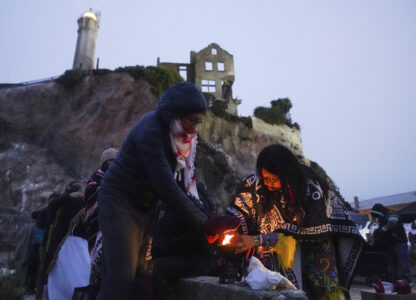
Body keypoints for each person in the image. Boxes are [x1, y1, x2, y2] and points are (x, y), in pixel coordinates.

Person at [97, 82, 209, 300]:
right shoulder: (151, 130)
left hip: (144, 207)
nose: (194, 128)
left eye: (198, 121)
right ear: (174, 113)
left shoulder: (177, 136)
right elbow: (166, 185)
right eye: (191, 120)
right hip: (120, 202)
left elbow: (181, 183)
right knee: (121, 281)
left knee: (143, 277)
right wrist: (206, 223)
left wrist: (207, 216)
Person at [225, 144, 364, 299]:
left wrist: (256, 240)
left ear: (286, 174)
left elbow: (300, 231)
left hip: (317, 249)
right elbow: (243, 203)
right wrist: (232, 227)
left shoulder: (311, 190)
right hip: (278, 255)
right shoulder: (259, 184)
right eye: (265, 179)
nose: (269, 184)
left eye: (273, 179)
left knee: (322, 290)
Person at [44, 181, 90, 300]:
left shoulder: (61, 203)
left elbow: (51, 207)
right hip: (78, 245)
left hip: (60, 245)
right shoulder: (83, 203)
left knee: (60, 278)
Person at [370, 203, 411, 282]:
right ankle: (395, 278)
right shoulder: (382, 218)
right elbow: (380, 231)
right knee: (393, 262)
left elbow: (392, 223)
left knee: (403, 261)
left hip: (399, 242)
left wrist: (381, 230)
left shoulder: (392, 214)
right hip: (391, 244)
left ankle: (407, 278)